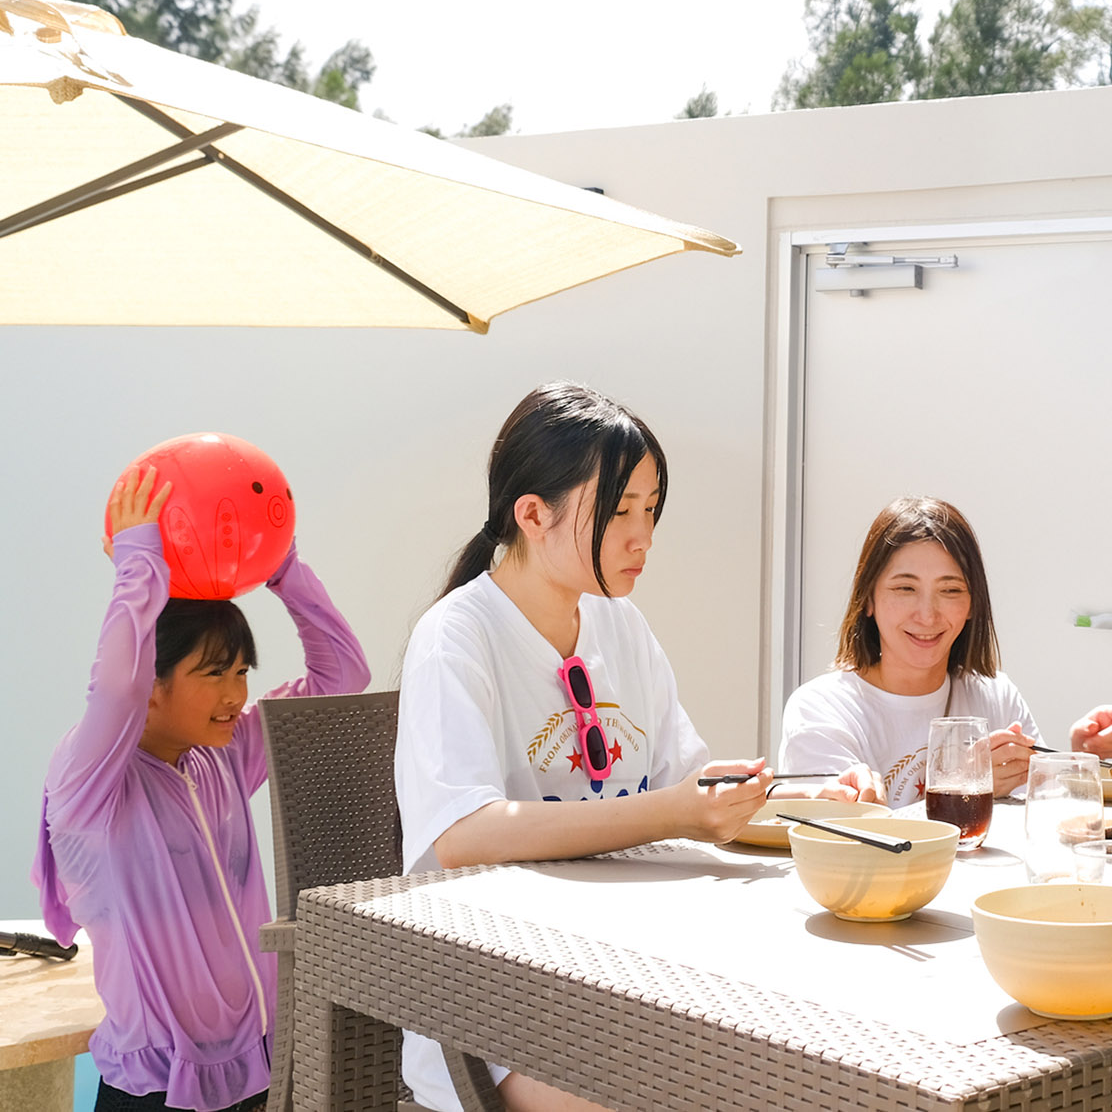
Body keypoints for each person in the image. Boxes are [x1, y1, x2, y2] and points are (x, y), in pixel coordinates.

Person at [395, 382, 874, 1112]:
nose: (642, 536)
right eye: (619, 511)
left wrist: (804, 800)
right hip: (495, 1010)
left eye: (650, 510)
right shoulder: (456, 638)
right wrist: (673, 813)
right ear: (532, 513)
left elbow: (685, 784)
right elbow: (463, 833)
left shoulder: (622, 626)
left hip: (626, 977)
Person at [34, 464, 371, 1112]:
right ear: (153, 683)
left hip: (259, 1068)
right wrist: (138, 566)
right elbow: (115, 689)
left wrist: (280, 565)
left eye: (243, 670)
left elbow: (343, 672)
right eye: (215, 672)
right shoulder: (91, 783)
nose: (236, 694)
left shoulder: (225, 754)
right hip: (158, 1091)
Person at [780, 496, 1112, 806]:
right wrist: (966, 787)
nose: (928, 614)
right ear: (868, 599)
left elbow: (1049, 815)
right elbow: (847, 843)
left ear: (973, 604)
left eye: (950, 590)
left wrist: (1080, 761)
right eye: (905, 588)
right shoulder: (821, 708)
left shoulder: (995, 695)